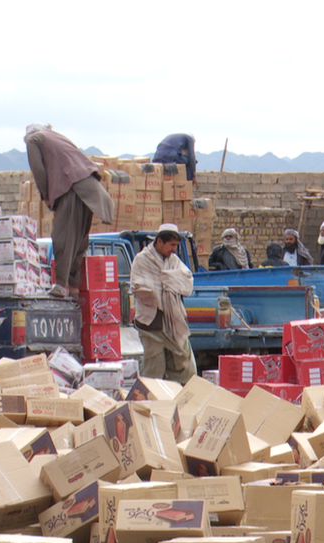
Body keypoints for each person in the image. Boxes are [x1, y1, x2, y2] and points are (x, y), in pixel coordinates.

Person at [25, 124, 115, 297]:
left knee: (63, 237)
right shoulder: (56, 137)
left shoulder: (33, 139)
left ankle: (60, 285)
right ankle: (73, 288)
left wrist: (47, 197)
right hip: (90, 188)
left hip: (71, 187)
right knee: (79, 240)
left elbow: (38, 171)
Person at [130, 223, 197, 384]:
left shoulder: (174, 261)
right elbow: (138, 286)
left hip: (173, 322)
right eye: (171, 245)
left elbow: (186, 281)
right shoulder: (142, 260)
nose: (174, 249)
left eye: (176, 245)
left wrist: (166, 280)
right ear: (159, 242)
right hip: (151, 324)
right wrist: (164, 283)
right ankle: (152, 404)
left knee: (185, 367)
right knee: (154, 369)